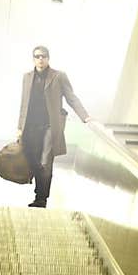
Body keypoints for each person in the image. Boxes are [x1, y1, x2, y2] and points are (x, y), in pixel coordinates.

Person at [16, 45, 90, 208]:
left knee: (45, 162)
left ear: (48, 58)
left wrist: (85, 116)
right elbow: (23, 103)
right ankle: (39, 192)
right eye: (37, 56)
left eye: (43, 56)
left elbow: (71, 97)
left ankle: (41, 198)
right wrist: (20, 127)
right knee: (33, 160)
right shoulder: (27, 77)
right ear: (33, 59)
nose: (40, 59)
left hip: (50, 126)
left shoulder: (58, 76)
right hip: (31, 127)